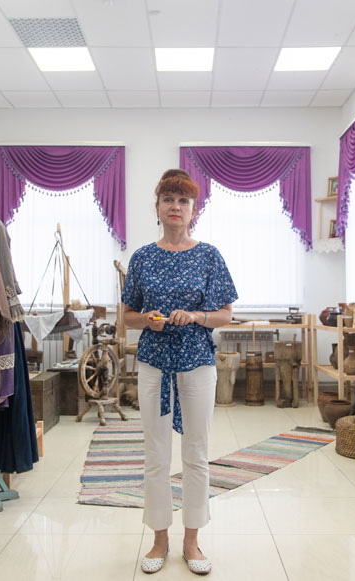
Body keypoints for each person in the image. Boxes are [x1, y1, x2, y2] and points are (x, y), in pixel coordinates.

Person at [121, 169, 238, 575]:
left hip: (198, 363)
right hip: (154, 363)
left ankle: (191, 541)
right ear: (157, 207)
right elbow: (128, 316)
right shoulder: (142, 257)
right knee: (156, 454)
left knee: (196, 453)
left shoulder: (209, 256)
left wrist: (198, 316)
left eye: (183, 200)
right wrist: (148, 320)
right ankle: (159, 539)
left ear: (193, 210)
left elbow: (225, 313)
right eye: (168, 199)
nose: (175, 206)